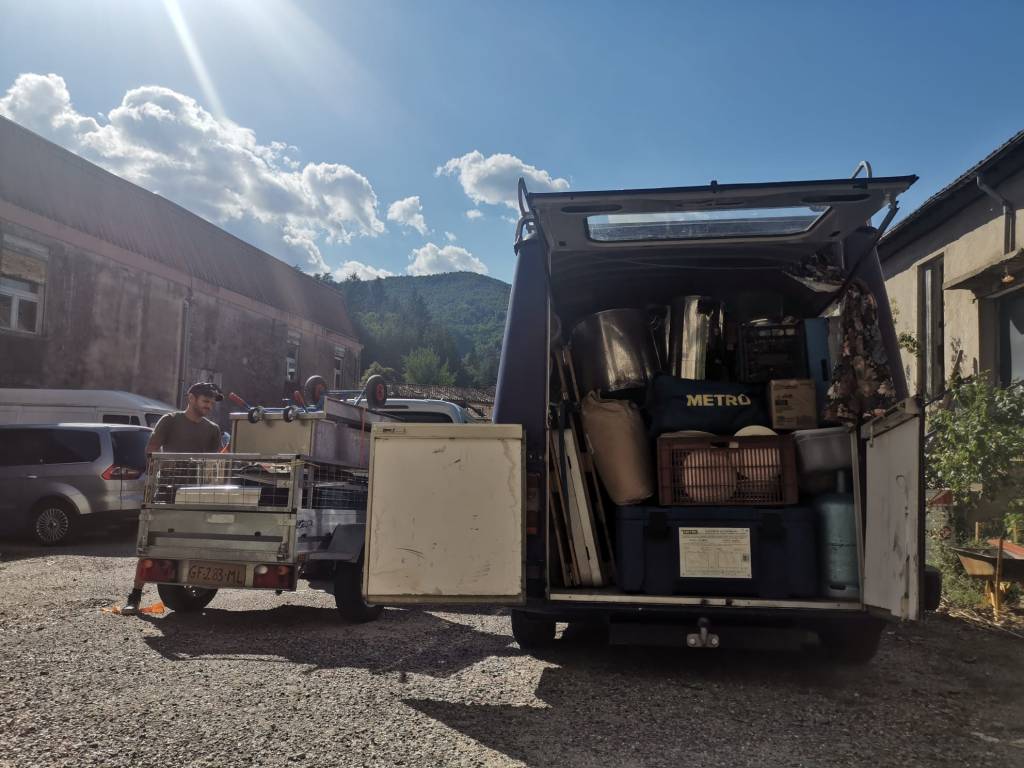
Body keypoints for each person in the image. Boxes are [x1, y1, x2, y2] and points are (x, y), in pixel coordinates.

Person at [122, 382, 224, 614]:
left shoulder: (213, 429)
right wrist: (164, 467)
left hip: (199, 492)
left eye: (211, 403)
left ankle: (196, 583)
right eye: (205, 401)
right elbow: (151, 449)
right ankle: (134, 596)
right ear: (191, 398)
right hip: (168, 488)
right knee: (152, 543)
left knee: (199, 539)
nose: (209, 406)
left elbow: (214, 463)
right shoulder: (170, 420)